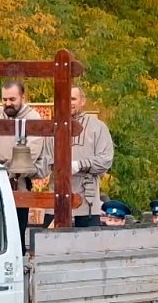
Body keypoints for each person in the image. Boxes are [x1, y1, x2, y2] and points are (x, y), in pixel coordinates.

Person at [0, 81, 53, 253]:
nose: (8, 103)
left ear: (22, 98)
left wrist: (7, 169)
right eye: (4, 99)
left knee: (16, 230)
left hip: (18, 182)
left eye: (12, 99)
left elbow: (31, 152)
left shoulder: (33, 119)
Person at [43, 86, 114, 228]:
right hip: (56, 199)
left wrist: (80, 164)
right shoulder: (52, 127)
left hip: (87, 202)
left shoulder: (97, 127)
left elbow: (106, 159)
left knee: (86, 247)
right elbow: (44, 159)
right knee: (51, 246)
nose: (68, 103)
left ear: (83, 101)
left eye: (73, 99)